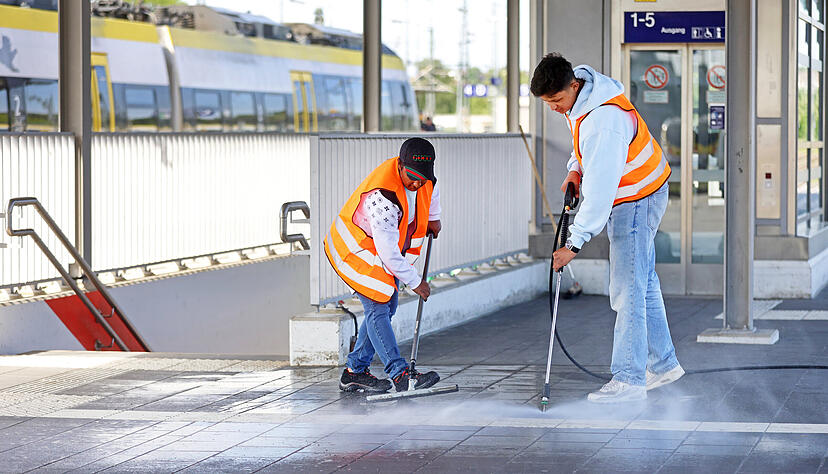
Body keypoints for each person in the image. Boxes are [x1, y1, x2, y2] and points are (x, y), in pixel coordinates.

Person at [530, 53, 684, 403]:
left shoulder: (604, 118)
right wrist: (574, 168)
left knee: (627, 288)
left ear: (572, 85)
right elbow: (586, 149)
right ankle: (662, 364)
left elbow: (600, 190)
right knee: (642, 282)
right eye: (547, 103)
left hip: (635, 197)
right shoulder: (584, 98)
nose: (554, 109)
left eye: (556, 101)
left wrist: (574, 242)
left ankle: (629, 380)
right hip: (640, 190)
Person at [324, 137, 442, 394]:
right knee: (379, 307)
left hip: (377, 251)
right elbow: (388, 252)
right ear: (400, 166)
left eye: (422, 177)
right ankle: (400, 374)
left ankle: (354, 371)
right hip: (355, 251)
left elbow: (431, 191)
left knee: (388, 306)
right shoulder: (382, 198)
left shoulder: (423, 179)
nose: (416, 183)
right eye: (412, 176)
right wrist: (415, 282)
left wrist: (434, 217)